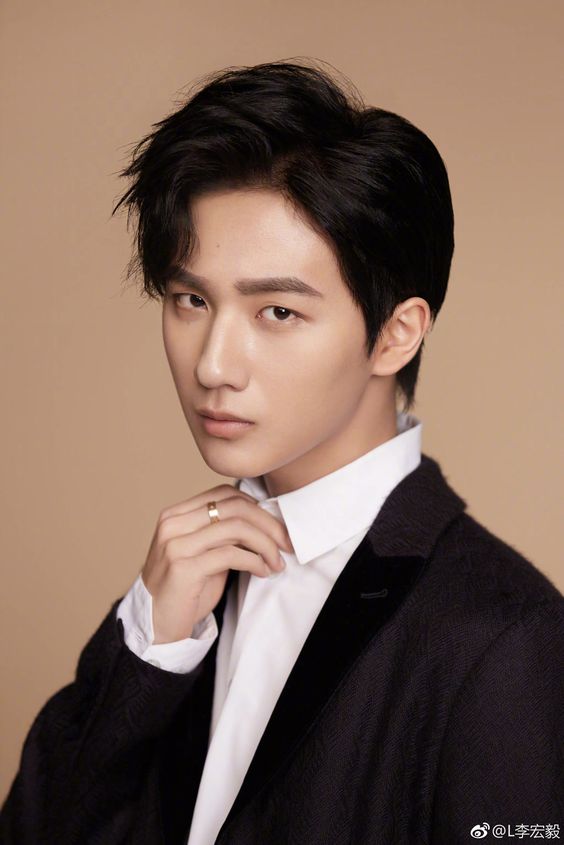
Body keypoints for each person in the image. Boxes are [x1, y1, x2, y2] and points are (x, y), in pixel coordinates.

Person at [1, 59, 562, 845]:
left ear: (395, 334)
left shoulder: (503, 637)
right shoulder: (179, 590)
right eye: (190, 299)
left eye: (277, 311)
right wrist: (150, 648)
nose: (213, 364)